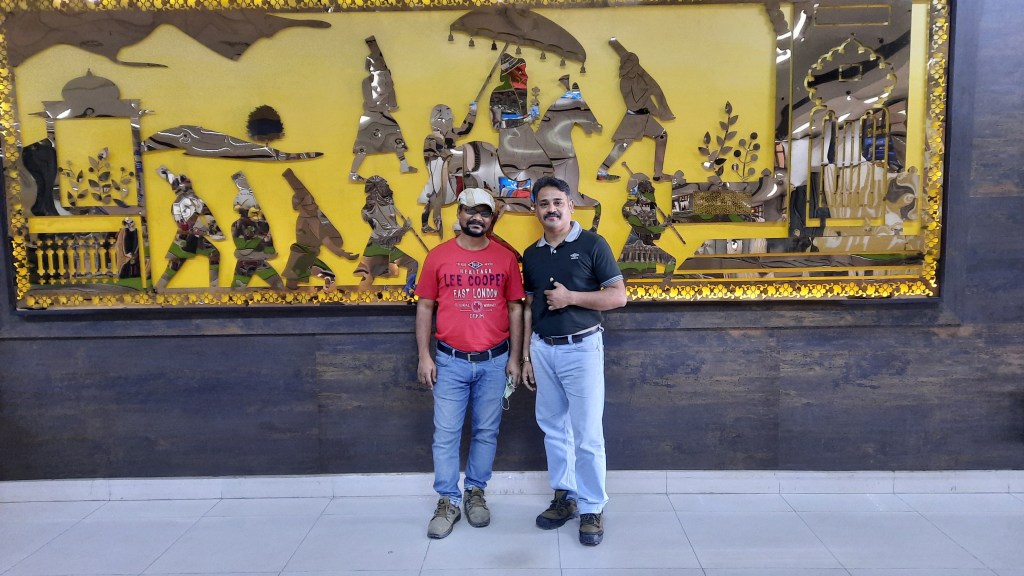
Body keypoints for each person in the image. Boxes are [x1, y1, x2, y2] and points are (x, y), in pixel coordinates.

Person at [520, 176, 627, 547]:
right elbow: (529, 306)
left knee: (587, 432)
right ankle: (564, 496)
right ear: (535, 209)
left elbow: (618, 297)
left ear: (570, 205)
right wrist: (526, 355)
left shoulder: (593, 244)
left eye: (557, 202)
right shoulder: (531, 254)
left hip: (581, 348)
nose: (551, 209)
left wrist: (572, 298)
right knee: (553, 427)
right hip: (542, 348)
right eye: (543, 203)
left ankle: (592, 507)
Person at [415, 188, 525, 540]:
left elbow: (515, 308)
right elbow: (425, 306)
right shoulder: (438, 256)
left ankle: (475, 491)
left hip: (494, 362)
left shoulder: (505, 259)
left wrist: (515, 358)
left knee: (486, 432)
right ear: (459, 213)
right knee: (445, 434)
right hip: (450, 362)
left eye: (484, 212)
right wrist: (424, 355)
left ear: (492, 219)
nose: (477, 217)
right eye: (470, 210)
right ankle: (448, 500)